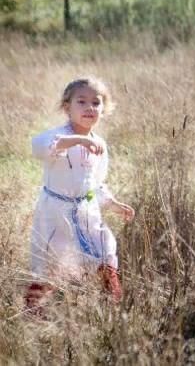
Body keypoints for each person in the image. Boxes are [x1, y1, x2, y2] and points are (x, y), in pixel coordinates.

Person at [26, 77, 135, 313]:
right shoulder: (60, 136)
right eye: (81, 101)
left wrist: (112, 203)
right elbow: (39, 146)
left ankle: (112, 307)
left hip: (86, 211)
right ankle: (33, 313)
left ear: (103, 109)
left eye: (96, 103)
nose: (89, 108)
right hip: (55, 212)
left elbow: (95, 183)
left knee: (105, 252)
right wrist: (78, 140)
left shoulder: (99, 144)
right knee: (50, 263)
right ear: (67, 107)